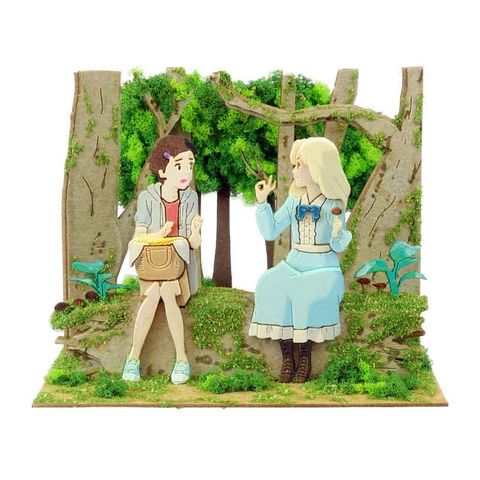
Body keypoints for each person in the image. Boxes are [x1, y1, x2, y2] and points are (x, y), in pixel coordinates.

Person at [249, 136, 352, 383]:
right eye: (294, 165)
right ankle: (288, 359)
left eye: (299, 165)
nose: (294, 171)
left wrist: (338, 233)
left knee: (303, 293)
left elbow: (338, 246)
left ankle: (305, 359)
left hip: (324, 267)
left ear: (316, 167)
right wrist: (262, 203)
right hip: (294, 263)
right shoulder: (294, 201)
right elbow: (271, 230)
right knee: (269, 283)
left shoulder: (334, 204)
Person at [122, 135, 202, 384]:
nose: (186, 172)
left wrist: (196, 232)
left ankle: (181, 359)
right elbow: (140, 236)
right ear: (162, 171)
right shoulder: (147, 198)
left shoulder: (190, 198)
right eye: (179, 165)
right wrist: (160, 235)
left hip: (180, 269)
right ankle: (133, 358)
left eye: (190, 165)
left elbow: (193, 244)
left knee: (167, 290)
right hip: (153, 267)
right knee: (155, 291)